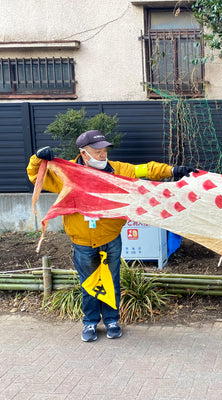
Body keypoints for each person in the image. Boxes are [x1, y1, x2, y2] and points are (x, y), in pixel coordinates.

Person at [27, 130, 197, 342]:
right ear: (83, 153)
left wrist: (173, 170)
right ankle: (89, 323)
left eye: (104, 150)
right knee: (88, 284)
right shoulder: (67, 173)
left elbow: (145, 169)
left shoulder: (118, 170)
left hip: (111, 240)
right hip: (82, 242)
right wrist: (37, 158)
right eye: (97, 151)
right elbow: (36, 176)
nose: (102, 155)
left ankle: (111, 320)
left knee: (111, 281)